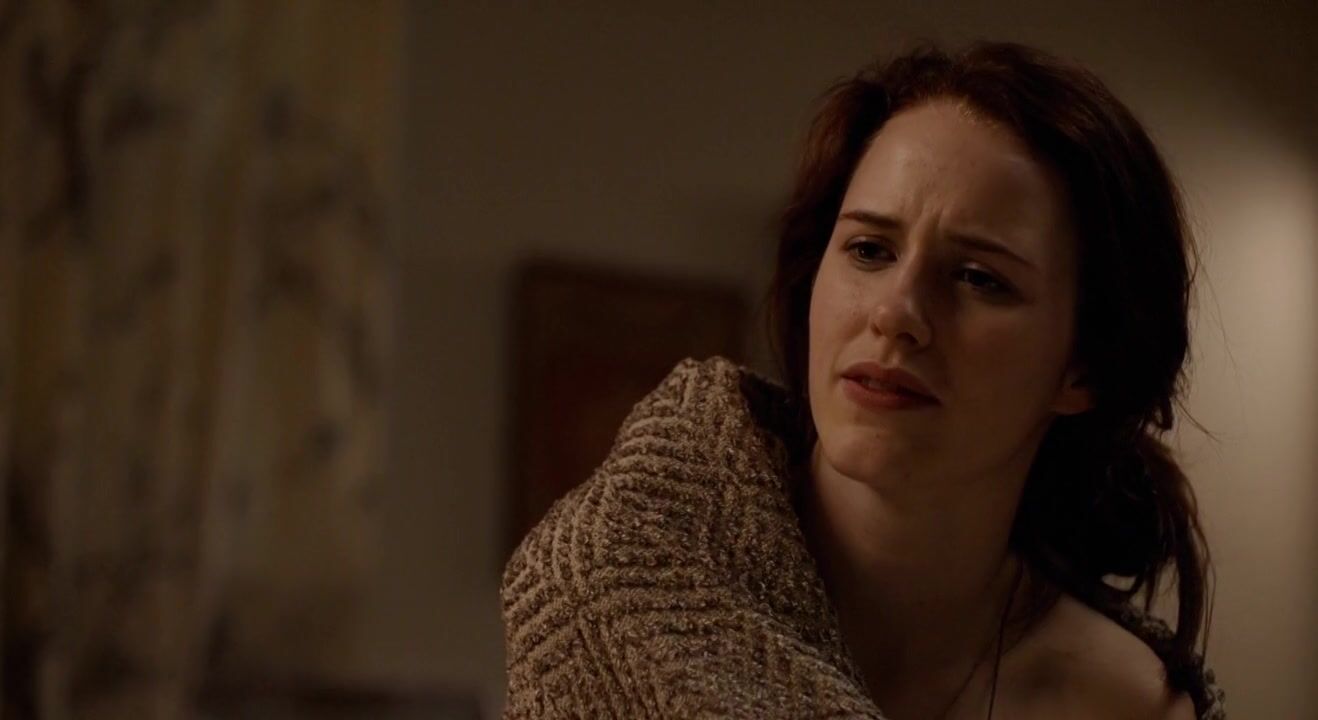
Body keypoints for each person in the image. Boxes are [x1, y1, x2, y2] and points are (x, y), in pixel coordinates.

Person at [501, 41, 1225, 719]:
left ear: (1085, 367)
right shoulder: (608, 589)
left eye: (979, 278)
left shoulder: (1131, 702)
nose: (896, 313)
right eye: (870, 250)